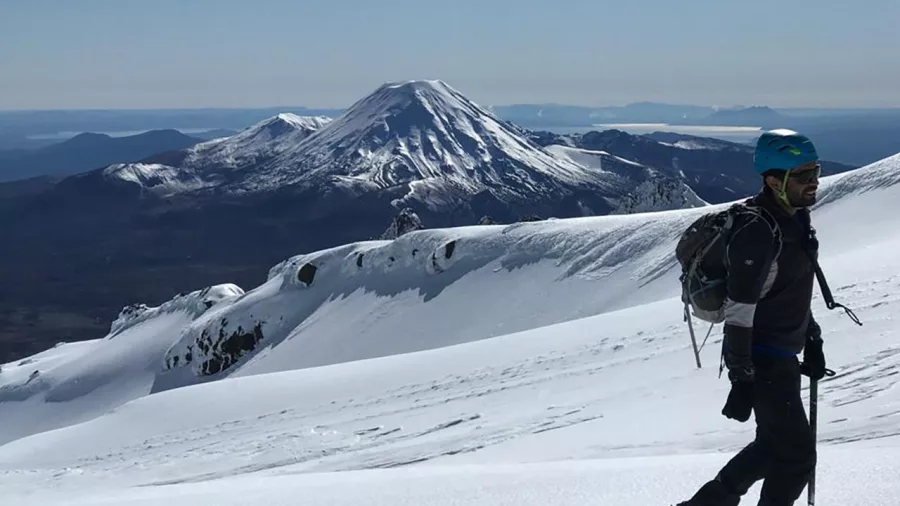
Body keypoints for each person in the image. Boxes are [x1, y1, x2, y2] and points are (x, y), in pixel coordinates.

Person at [677, 129, 832, 506]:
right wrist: (742, 376)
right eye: (803, 176)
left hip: (781, 354)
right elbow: (740, 308)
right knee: (796, 456)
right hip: (762, 358)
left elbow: (791, 287)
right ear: (772, 180)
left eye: (815, 172)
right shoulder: (758, 230)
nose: (813, 182)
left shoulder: (795, 219)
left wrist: (812, 338)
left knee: (772, 446)